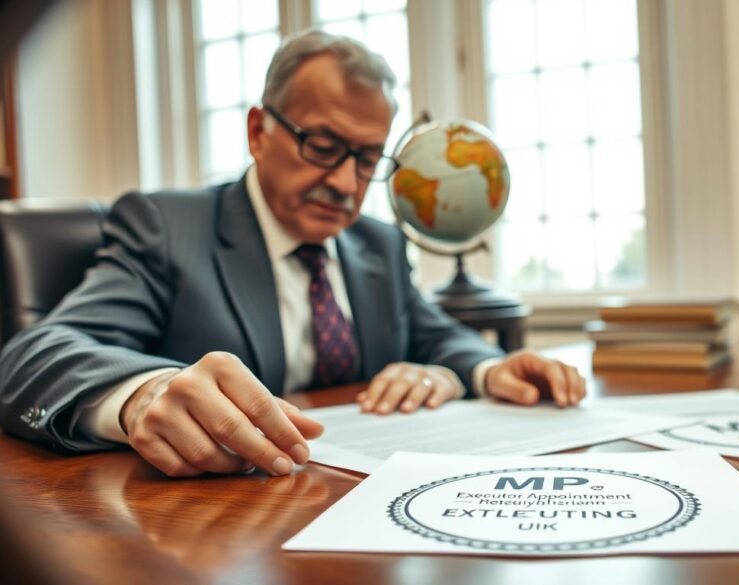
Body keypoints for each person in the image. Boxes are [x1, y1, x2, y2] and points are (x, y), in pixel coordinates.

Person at [0, 30, 586, 478]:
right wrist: (142, 393)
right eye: (324, 145)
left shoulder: (377, 244)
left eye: (367, 160)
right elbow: (32, 355)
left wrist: (486, 369)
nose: (344, 183)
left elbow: (433, 335)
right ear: (258, 132)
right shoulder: (166, 227)